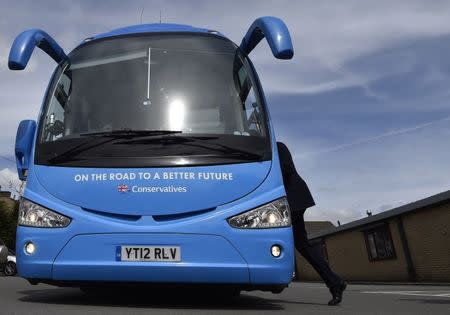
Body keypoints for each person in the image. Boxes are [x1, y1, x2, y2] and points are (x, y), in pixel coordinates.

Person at [277, 142, 347, 306]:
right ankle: (335, 282)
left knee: (302, 243)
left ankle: (335, 283)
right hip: (292, 199)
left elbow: (285, 170)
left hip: (293, 199)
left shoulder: (277, 146)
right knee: (302, 244)